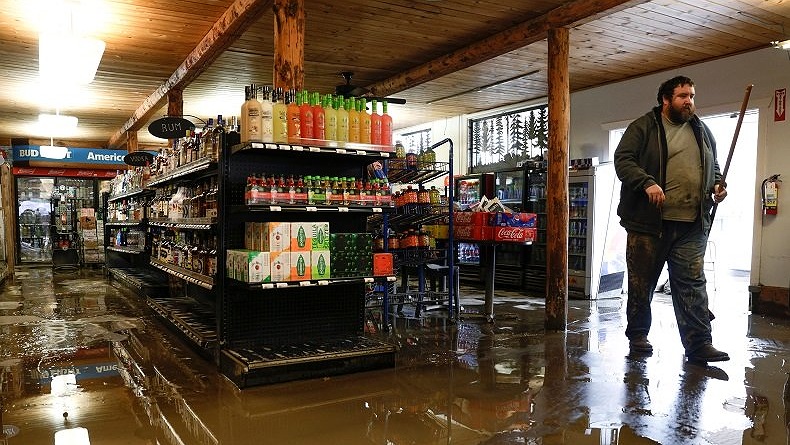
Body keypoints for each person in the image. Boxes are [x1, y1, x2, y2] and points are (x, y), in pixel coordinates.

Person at [614, 75, 729, 362]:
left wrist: (717, 184)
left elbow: (713, 163)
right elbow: (623, 160)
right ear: (666, 100)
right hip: (649, 224)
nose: (688, 100)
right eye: (682, 96)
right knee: (642, 284)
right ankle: (638, 335)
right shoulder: (643, 127)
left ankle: (699, 344)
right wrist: (646, 182)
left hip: (692, 223)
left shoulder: (701, 130)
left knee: (692, 285)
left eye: (691, 95)